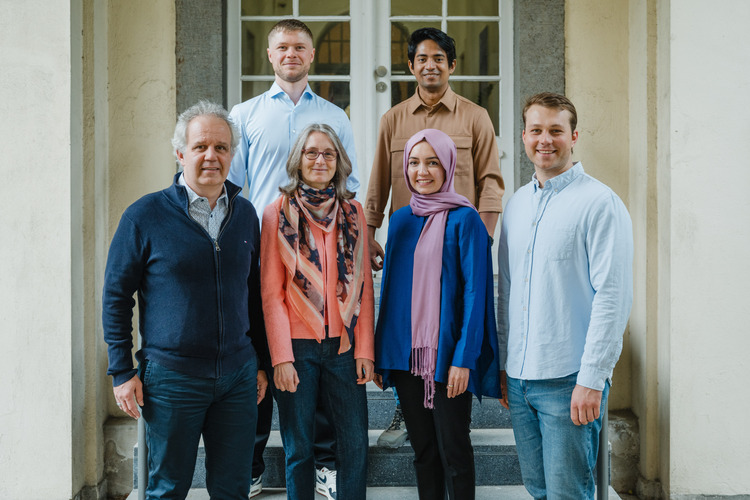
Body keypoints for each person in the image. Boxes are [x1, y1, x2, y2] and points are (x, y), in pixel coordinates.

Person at [102, 101, 269, 499]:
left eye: (222, 147)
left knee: (233, 489)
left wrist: (259, 362)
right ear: (180, 153)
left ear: (232, 154)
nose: (212, 156)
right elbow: (115, 295)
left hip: (238, 377)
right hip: (172, 379)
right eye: (200, 147)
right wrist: (121, 371)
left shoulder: (245, 214)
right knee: (167, 489)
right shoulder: (144, 215)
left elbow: (254, 293)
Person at [227, 19, 360, 499]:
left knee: (315, 358)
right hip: (259, 251)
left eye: (300, 46)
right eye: (282, 46)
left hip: (319, 260)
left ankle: (325, 464)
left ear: (311, 54)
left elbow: (351, 184)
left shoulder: (334, 116)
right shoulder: (245, 115)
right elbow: (234, 187)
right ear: (269, 54)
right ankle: (255, 462)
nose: (291, 54)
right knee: (262, 356)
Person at [364, 28, 504, 445]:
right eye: (422, 58)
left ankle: (452, 408)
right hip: (408, 245)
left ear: (452, 66)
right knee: (408, 327)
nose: (430, 65)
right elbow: (378, 183)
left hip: (455, 245)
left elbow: (491, 182)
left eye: (439, 59)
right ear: (410, 66)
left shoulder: (475, 117)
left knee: (452, 321)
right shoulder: (393, 119)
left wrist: (483, 237)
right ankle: (408, 411)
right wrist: (370, 234)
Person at [497, 92, 633, 499]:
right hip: (520, 380)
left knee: (568, 494)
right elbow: (506, 290)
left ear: (573, 136)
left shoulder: (600, 203)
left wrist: (593, 378)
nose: (545, 140)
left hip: (569, 379)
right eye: (536, 130)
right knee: (538, 490)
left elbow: (612, 297)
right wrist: (506, 366)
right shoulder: (517, 204)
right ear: (523, 136)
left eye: (555, 130)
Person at [374, 129, 501, 500]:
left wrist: (464, 359)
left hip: (448, 357)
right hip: (406, 357)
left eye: (432, 162)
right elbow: (392, 294)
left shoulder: (466, 220)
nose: (422, 171)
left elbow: (477, 294)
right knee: (423, 452)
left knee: (454, 450)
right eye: (414, 162)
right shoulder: (399, 220)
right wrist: (385, 359)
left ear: (447, 166)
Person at [260, 124, 374, 500]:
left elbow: (364, 289)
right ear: (298, 160)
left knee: (354, 445)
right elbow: (271, 294)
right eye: (311, 152)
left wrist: (364, 351)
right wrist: (280, 357)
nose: (320, 160)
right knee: (299, 449)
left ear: (339, 161)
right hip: (297, 348)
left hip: (344, 348)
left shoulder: (354, 212)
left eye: (328, 153)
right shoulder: (277, 213)